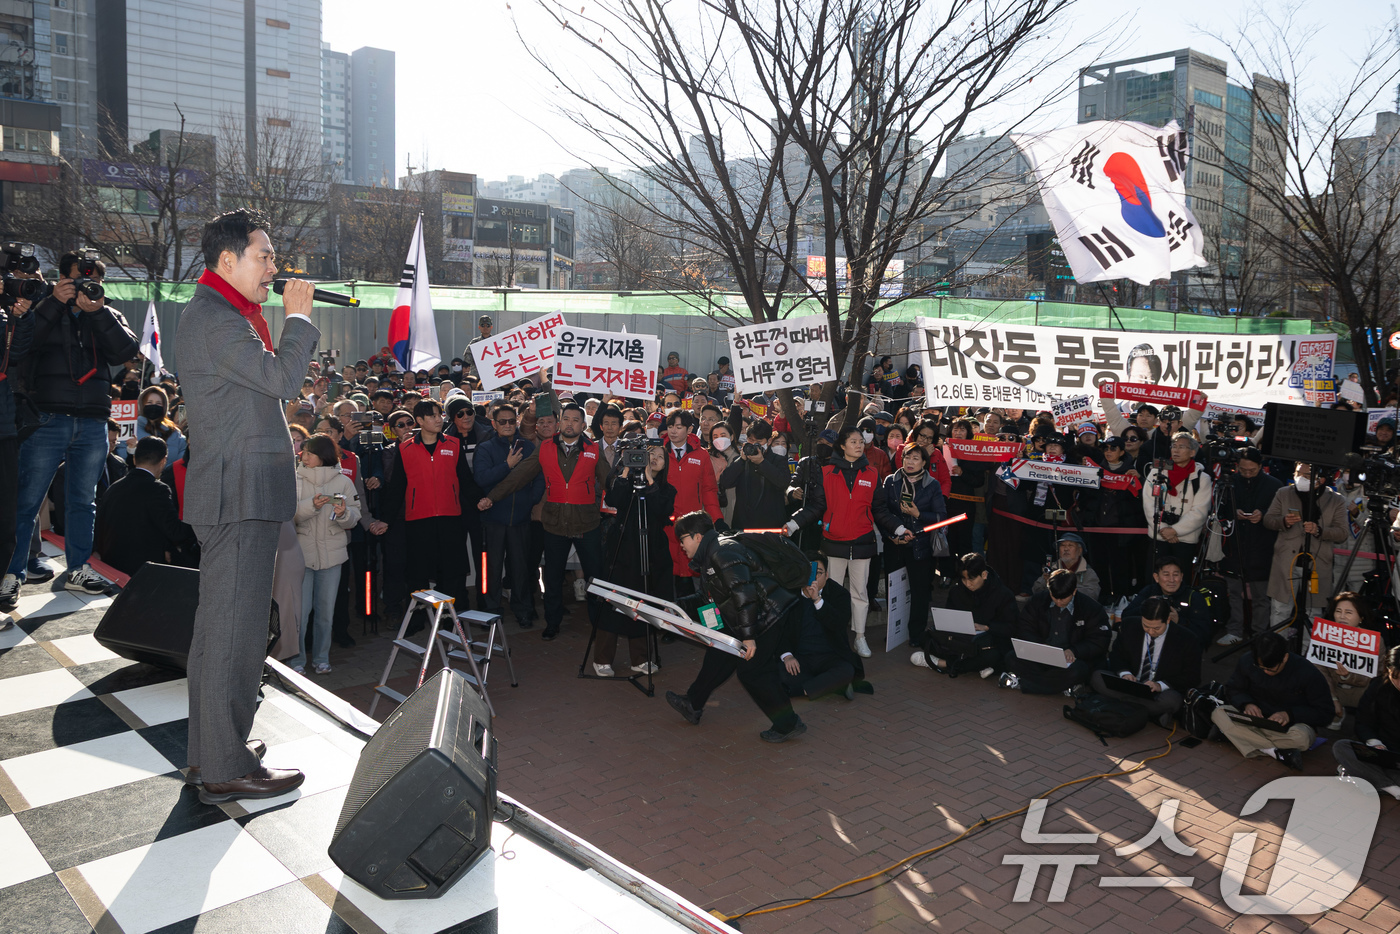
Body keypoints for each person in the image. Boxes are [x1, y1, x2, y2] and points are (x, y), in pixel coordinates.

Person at [175, 209, 319, 804]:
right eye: (264, 257)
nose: (273, 269)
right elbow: (284, 379)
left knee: (222, 632)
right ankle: (223, 766)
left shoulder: (226, 315)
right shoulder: (215, 319)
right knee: (231, 633)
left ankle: (215, 750)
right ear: (227, 260)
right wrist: (301, 319)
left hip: (240, 492)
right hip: (238, 494)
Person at [7, 251, 139, 596]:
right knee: (28, 501)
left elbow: (125, 351)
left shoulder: (107, 312)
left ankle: (78, 568)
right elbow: (24, 345)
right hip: (47, 416)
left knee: (83, 500)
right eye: (78, 280)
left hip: (94, 419)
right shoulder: (43, 307)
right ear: (61, 279)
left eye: (93, 282)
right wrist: (53, 302)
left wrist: (99, 314)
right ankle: (12, 572)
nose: (86, 287)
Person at [664, 511, 807, 742]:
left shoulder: (722, 552)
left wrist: (748, 637)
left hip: (769, 613)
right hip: (756, 613)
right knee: (720, 651)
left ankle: (788, 724)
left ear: (697, 537)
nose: (681, 545)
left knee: (753, 671)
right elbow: (707, 597)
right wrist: (675, 607)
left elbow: (744, 593)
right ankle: (693, 703)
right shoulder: (712, 553)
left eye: (682, 539)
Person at [480, 401, 611, 640]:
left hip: (587, 522)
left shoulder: (593, 449)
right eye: (566, 419)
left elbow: (609, 482)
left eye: (575, 420)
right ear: (559, 422)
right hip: (554, 523)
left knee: (595, 578)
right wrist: (491, 497)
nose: (570, 424)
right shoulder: (544, 448)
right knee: (552, 578)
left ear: (583, 425)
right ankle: (552, 623)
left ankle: (600, 622)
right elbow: (518, 477)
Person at [789, 425, 900, 658]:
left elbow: (880, 510)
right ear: (842, 445)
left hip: (862, 542)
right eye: (853, 441)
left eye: (861, 441)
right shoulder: (826, 471)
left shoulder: (871, 473)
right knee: (831, 591)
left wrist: (898, 527)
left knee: (860, 593)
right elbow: (816, 507)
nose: (859, 445)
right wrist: (793, 524)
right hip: (833, 542)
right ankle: (832, 636)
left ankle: (860, 637)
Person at [382, 399, 483, 611]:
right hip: (418, 520)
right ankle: (418, 620)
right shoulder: (405, 449)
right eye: (433, 416)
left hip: (450, 519)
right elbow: (397, 488)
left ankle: (454, 620)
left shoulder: (453, 444)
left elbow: (465, 480)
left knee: (452, 573)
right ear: (420, 420)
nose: (439, 419)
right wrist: (385, 520)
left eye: (439, 415)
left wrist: (481, 500)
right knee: (418, 574)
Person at [594, 444, 673, 675]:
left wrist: (649, 479)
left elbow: (661, 509)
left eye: (661, 456)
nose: (656, 459)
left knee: (644, 603)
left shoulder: (667, 489)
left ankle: (640, 658)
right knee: (614, 602)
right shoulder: (626, 483)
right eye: (651, 455)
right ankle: (602, 659)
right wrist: (627, 471)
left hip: (651, 552)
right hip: (622, 550)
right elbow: (614, 499)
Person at [288, 433, 360, 674]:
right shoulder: (294, 479)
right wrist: (312, 506)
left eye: (309, 453)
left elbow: (354, 518)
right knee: (301, 613)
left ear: (323, 456)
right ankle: (296, 661)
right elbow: (289, 518)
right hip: (301, 556)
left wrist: (343, 514)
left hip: (332, 557)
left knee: (325, 614)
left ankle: (321, 658)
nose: (303, 456)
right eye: (303, 452)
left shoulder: (343, 482)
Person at [1211, 631, 1334, 769]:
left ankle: (1241, 738)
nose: (1266, 672)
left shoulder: (1307, 672)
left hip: (1290, 727)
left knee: (1302, 739)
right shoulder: (1247, 661)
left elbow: (1325, 713)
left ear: (1285, 658)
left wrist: (1289, 714)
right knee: (1219, 713)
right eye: (1261, 668)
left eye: (1271, 669)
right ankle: (1274, 751)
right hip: (1254, 720)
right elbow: (1233, 688)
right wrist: (1247, 703)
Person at [473, 403, 544, 627]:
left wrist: (531, 499)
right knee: (492, 568)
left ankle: (522, 609)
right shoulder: (485, 448)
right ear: (494, 424)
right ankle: (492, 609)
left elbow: (539, 475)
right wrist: (507, 465)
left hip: (521, 519)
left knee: (521, 568)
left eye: (511, 421)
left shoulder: (528, 447)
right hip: (494, 519)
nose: (507, 425)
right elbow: (482, 479)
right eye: (502, 421)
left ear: (517, 422)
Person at [1090, 595, 1203, 727]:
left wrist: (1160, 685)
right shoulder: (1130, 625)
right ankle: (1149, 712)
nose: (1150, 631)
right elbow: (1117, 655)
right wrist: (1124, 673)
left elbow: (1192, 676)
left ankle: (1121, 705)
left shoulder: (1187, 639)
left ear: (1167, 620)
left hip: (1157, 692)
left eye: (1156, 628)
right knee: (1097, 677)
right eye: (1146, 626)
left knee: (1173, 701)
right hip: (1130, 685)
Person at [92, 436, 196, 577]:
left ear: (134, 459)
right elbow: (175, 532)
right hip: (141, 570)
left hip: (111, 565)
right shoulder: (158, 489)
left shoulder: (114, 488)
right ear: (163, 461)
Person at [1264, 463, 1348, 634]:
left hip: (1317, 564)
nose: (1300, 478)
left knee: (1313, 613)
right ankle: (1276, 651)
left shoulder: (1336, 500)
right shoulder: (1284, 493)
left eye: (1306, 476)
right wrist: (1283, 521)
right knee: (1280, 609)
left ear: (1321, 479)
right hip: (1286, 562)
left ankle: (1308, 654)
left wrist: (1320, 531)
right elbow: (1268, 520)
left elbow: (1342, 533)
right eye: (1297, 474)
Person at [1000, 568, 1110, 695]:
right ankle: (1060, 686)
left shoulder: (1091, 608)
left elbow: (1099, 641)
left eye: (1063, 598)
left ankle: (1024, 684)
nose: (1058, 601)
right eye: (1054, 597)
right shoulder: (1038, 601)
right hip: (1042, 656)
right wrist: (1039, 645)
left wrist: (1074, 651)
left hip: (1071, 661)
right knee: (1011, 657)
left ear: (1074, 592)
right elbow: (1024, 627)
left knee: (1079, 671)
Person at [880, 443, 946, 647]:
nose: (910, 462)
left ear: (924, 463)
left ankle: (916, 634)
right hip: (896, 543)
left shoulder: (932, 484)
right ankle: (894, 632)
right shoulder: (891, 481)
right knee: (894, 590)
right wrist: (892, 534)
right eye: (908, 457)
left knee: (919, 591)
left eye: (916, 458)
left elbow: (941, 517)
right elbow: (882, 512)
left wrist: (918, 514)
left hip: (920, 545)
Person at [1216, 448, 1283, 646]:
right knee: (1234, 591)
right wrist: (1231, 512)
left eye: (1251, 470)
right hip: (1233, 544)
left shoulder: (1274, 485)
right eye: (1243, 470)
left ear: (1261, 467)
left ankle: (1259, 634)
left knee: (1261, 595)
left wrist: (1263, 514)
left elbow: (1279, 514)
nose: (1246, 473)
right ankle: (1234, 629)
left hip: (1262, 546)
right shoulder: (1228, 482)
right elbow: (1218, 509)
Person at [914, 552, 1016, 677]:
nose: (968, 584)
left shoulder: (1003, 595)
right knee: (925, 638)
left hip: (987, 643)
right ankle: (975, 665)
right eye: (964, 579)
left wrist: (987, 627)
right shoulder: (957, 592)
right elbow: (950, 616)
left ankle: (942, 663)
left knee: (995, 656)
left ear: (984, 575)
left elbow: (1012, 627)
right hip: (960, 640)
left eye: (971, 579)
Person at [779, 554, 865, 700]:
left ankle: (800, 691)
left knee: (846, 670)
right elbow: (780, 630)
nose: (813, 577)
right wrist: (787, 656)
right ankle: (832, 686)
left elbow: (838, 624)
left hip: (830, 655)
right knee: (780, 672)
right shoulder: (788, 595)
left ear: (826, 575)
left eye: (818, 573)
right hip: (801, 656)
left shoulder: (839, 594)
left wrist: (817, 600)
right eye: (807, 572)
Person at [1333, 645, 1400, 800]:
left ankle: (1367, 777)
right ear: (1388, 670)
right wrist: (1374, 742)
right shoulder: (1378, 687)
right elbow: (1363, 721)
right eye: (1395, 677)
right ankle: (1389, 786)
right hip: (1381, 753)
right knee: (1342, 747)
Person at [1141, 432, 1212, 573]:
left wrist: (1175, 531)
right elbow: (1149, 503)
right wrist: (1163, 528)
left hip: (1185, 539)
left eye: (1181, 447)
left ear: (1192, 452)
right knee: (1154, 576)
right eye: (1174, 446)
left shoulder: (1201, 478)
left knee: (1180, 579)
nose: (1176, 450)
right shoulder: (1157, 471)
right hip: (1159, 535)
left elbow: (1200, 511)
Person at [718, 417, 791, 531]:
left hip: (770, 526)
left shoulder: (778, 460)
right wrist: (741, 461)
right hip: (744, 525)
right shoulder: (741, 460)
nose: (754, 445)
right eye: (750, 440)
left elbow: (783, 482)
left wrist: (762, 463)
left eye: (759, 442)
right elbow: (725, 482)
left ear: (769, 441)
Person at [1120, 555, 1212, 644]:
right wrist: (1146, 606)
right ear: (1156, 577)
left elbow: (1204, 635)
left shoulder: (1194, 597)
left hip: (1179, 647)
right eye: (1166, 575)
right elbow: (1126, 617)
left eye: (1176, 575)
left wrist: (1179, 621)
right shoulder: (1150, 591)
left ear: (1181, 577)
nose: (1171, 580)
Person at [1030, 532, 1102, 603]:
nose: (1066, 549)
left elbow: (1093, 595)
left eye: (1070, 545)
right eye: (1063, 545)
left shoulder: (1088, 572)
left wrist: (1064, 587)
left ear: (1079, 551)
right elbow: (1036, 590)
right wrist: (1047, 583)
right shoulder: (1052, 568)